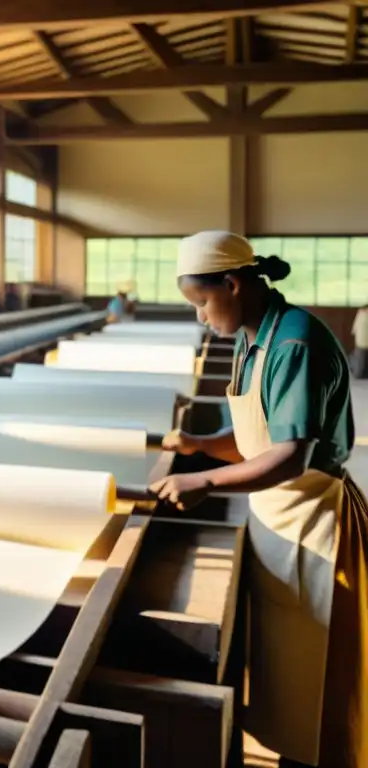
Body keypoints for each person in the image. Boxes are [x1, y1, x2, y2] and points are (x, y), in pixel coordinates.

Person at [148, 230, 367, 768]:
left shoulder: (296, 342)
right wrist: (201, 445)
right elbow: (254, 442)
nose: (200, 317)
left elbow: (291, 455)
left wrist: (203, 481)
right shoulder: (252, 339)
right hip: (275, 520)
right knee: (289, 681)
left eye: (202, 302)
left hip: (316, 525)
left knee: (321, 690)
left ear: (233, 282)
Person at [352, 304, 368, 379]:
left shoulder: (360, 314)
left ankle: (359, 373)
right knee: (361, 359)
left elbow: (355, 327)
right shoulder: (362, 314)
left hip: (360, 340)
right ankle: (359, 373)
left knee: (360, 358)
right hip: (362, 340)